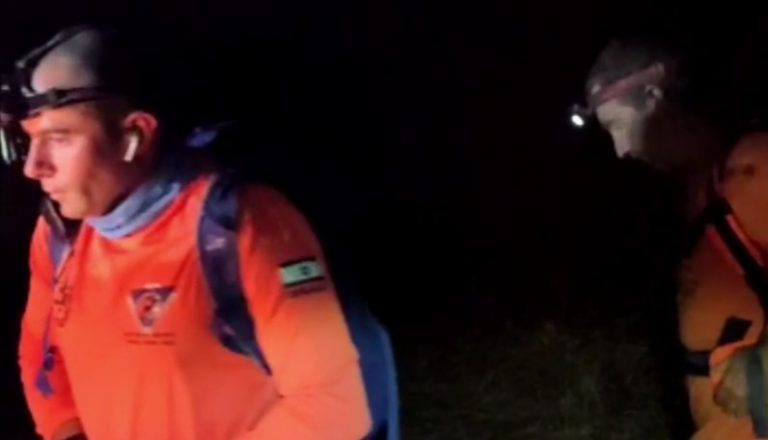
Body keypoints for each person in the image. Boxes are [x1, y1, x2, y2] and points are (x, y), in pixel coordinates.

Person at [14, 25, 397, 440]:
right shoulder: (60, 234)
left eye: (59, 138)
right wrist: (66, 429)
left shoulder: (239, 225)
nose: (33, 167)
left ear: (135, 135)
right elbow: (40, 351)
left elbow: (332, 404)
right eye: (29, 140)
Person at [585, 39, 768, 439]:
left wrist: (763, 366)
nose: (620, 150)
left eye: (619, 126)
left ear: (655, 99)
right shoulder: (693, 192)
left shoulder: (753, 168)